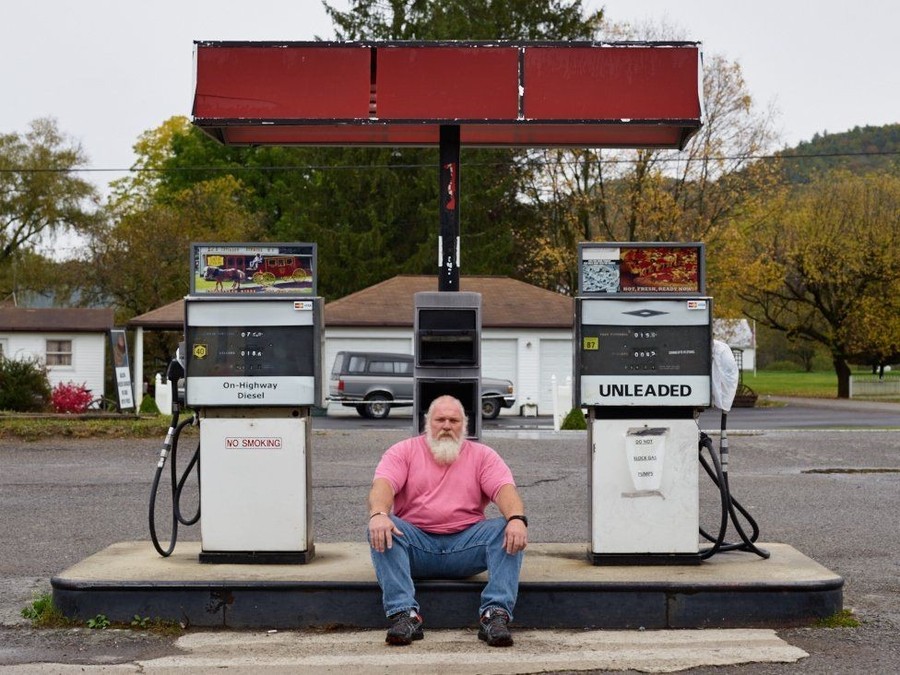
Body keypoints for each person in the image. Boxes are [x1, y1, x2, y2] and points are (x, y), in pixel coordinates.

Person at [367, 395, 528, 647]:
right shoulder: (403, 451)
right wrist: (379, 514)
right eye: (439, 419)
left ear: (464, 424)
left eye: (454, 420)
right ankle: (405, 615)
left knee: (505, 527)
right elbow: (383, 486)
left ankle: (494, 615)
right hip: (416, 547)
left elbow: (505, 490)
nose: (446, 425)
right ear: (427, 423)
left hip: (466, 547)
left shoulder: (483, 455)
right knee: (383, 525)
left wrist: (517, 519)